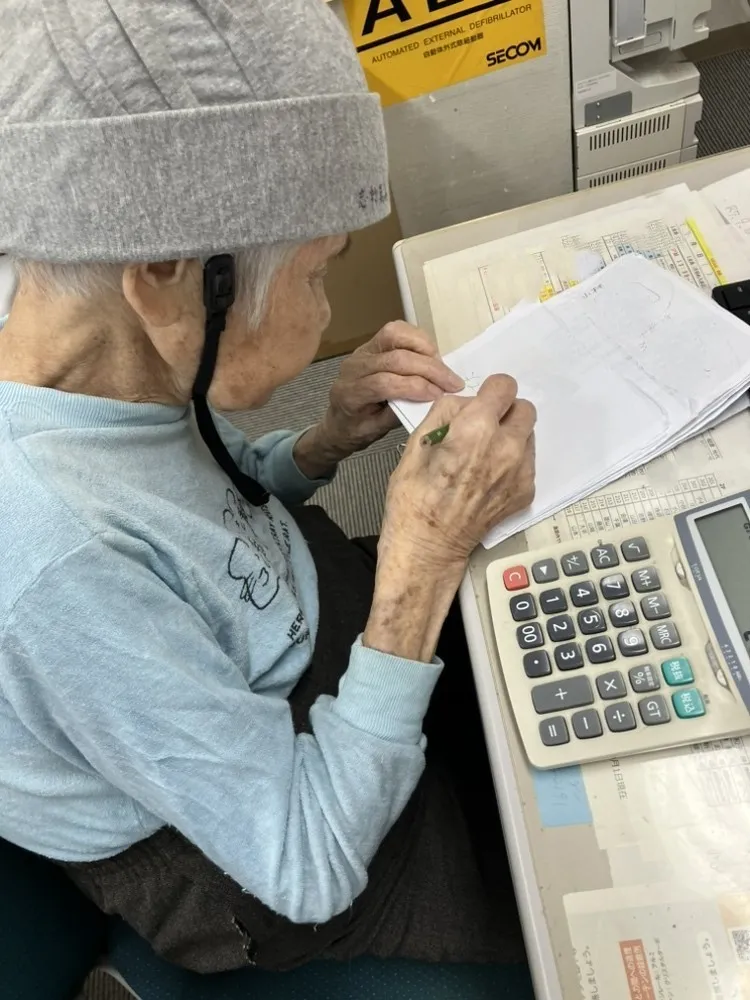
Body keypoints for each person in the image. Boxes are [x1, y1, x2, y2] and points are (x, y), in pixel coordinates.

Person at [0, 0, 536, 976]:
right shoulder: (53, 561)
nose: (326, 311)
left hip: (298, 623)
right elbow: (306, 863)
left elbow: (202, 512)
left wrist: (321, 443)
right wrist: (419, 563)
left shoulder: (84, 331)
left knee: (546, 620)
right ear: (169, 275)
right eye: (318, 274)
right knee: (562, 890)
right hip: (262, 847)